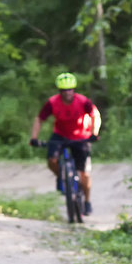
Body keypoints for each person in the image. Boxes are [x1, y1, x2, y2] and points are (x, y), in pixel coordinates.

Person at [29, 72, 101, 216]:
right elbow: (39, 119)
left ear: (73, 90)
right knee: (52, 160)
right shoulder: (52, 103)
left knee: (84, 174)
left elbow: (95, 115)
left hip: (81, 136)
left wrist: (94, 133)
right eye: (63, 90)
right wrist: (34, 137)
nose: (67, 93)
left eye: (69, 89)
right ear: (59, 91)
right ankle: (61, 176)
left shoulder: (83, 101)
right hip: (60, 135)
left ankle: (87, 202)